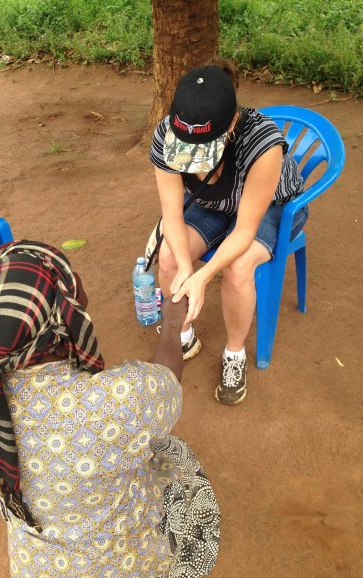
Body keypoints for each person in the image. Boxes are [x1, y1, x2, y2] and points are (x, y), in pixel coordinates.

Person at [0, 241, 220, 578]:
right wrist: (171, 323)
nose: (76, 279)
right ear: (63, 321)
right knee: (171, 453)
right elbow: (166, 379)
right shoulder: (120, 400)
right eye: (67, 282)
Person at [149, 58, 307, 406]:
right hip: (215, 202)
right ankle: (183, 334)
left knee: (237, 268)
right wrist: (187, 268)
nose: (190, 159)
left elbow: (246, 228)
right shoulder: (165, 134)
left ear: (232, 123)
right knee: (170, 256)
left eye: (200, 152)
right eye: (184, 150)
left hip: (273, 207)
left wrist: (204, 275)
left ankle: (234, 354)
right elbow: (171, 216)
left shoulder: (262, 144)